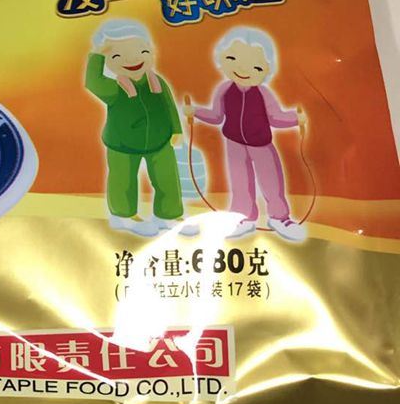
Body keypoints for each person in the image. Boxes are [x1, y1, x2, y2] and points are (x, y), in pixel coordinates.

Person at [186, 26, 307, 242]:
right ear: (222, 59)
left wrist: (296, 119)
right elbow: (216, 116)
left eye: (256, 66)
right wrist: (195, 111)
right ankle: (243, 218)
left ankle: (280, 218)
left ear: (266, 69)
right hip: (234, 144)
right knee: (240, 183)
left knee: (271, 182)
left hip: (261, 144)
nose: (242, 68)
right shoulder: (224, 89)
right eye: (232, 59)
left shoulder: (263, 93)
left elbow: (276, 117)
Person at [85, 19, 184, 236]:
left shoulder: (157, 82)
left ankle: (168, 215)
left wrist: (176, 129)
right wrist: (97, 54)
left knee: (167, 178)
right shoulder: (113, 88)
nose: (132, 59)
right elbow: (92, 82)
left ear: (152, 51)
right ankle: (124, 216)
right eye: (117, 56)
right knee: (123, 180)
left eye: (142, 51)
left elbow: (168, 105)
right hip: (122, 143)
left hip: (160, 140)